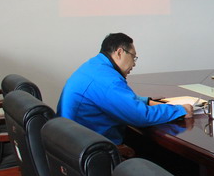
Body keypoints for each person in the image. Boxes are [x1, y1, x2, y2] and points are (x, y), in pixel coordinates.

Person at [57, 33, 193, 152]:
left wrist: (147, 101)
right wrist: (180, 110)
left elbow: (117, 98)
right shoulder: (108, 80)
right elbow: (140, 116)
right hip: (90, 150)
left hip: (71, 144)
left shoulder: (93, 67)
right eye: (133, 57)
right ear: (120, 52)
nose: (134, 64)